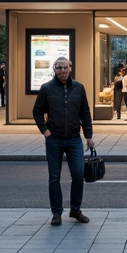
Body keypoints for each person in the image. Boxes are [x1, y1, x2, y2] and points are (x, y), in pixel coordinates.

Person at [32, 56, 94, 226]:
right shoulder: (47, 88)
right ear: (54, 69)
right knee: (54, 177)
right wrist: (45, 131)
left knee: (78, 174)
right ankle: (56, 213)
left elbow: (85, 112)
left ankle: (75, 209)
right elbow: (37, 111)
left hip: (74, 139)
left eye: (65, 68)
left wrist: (88, 135)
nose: (62, 71)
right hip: (54, 140)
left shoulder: (79, 88)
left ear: (70, 68)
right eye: (59, 68)